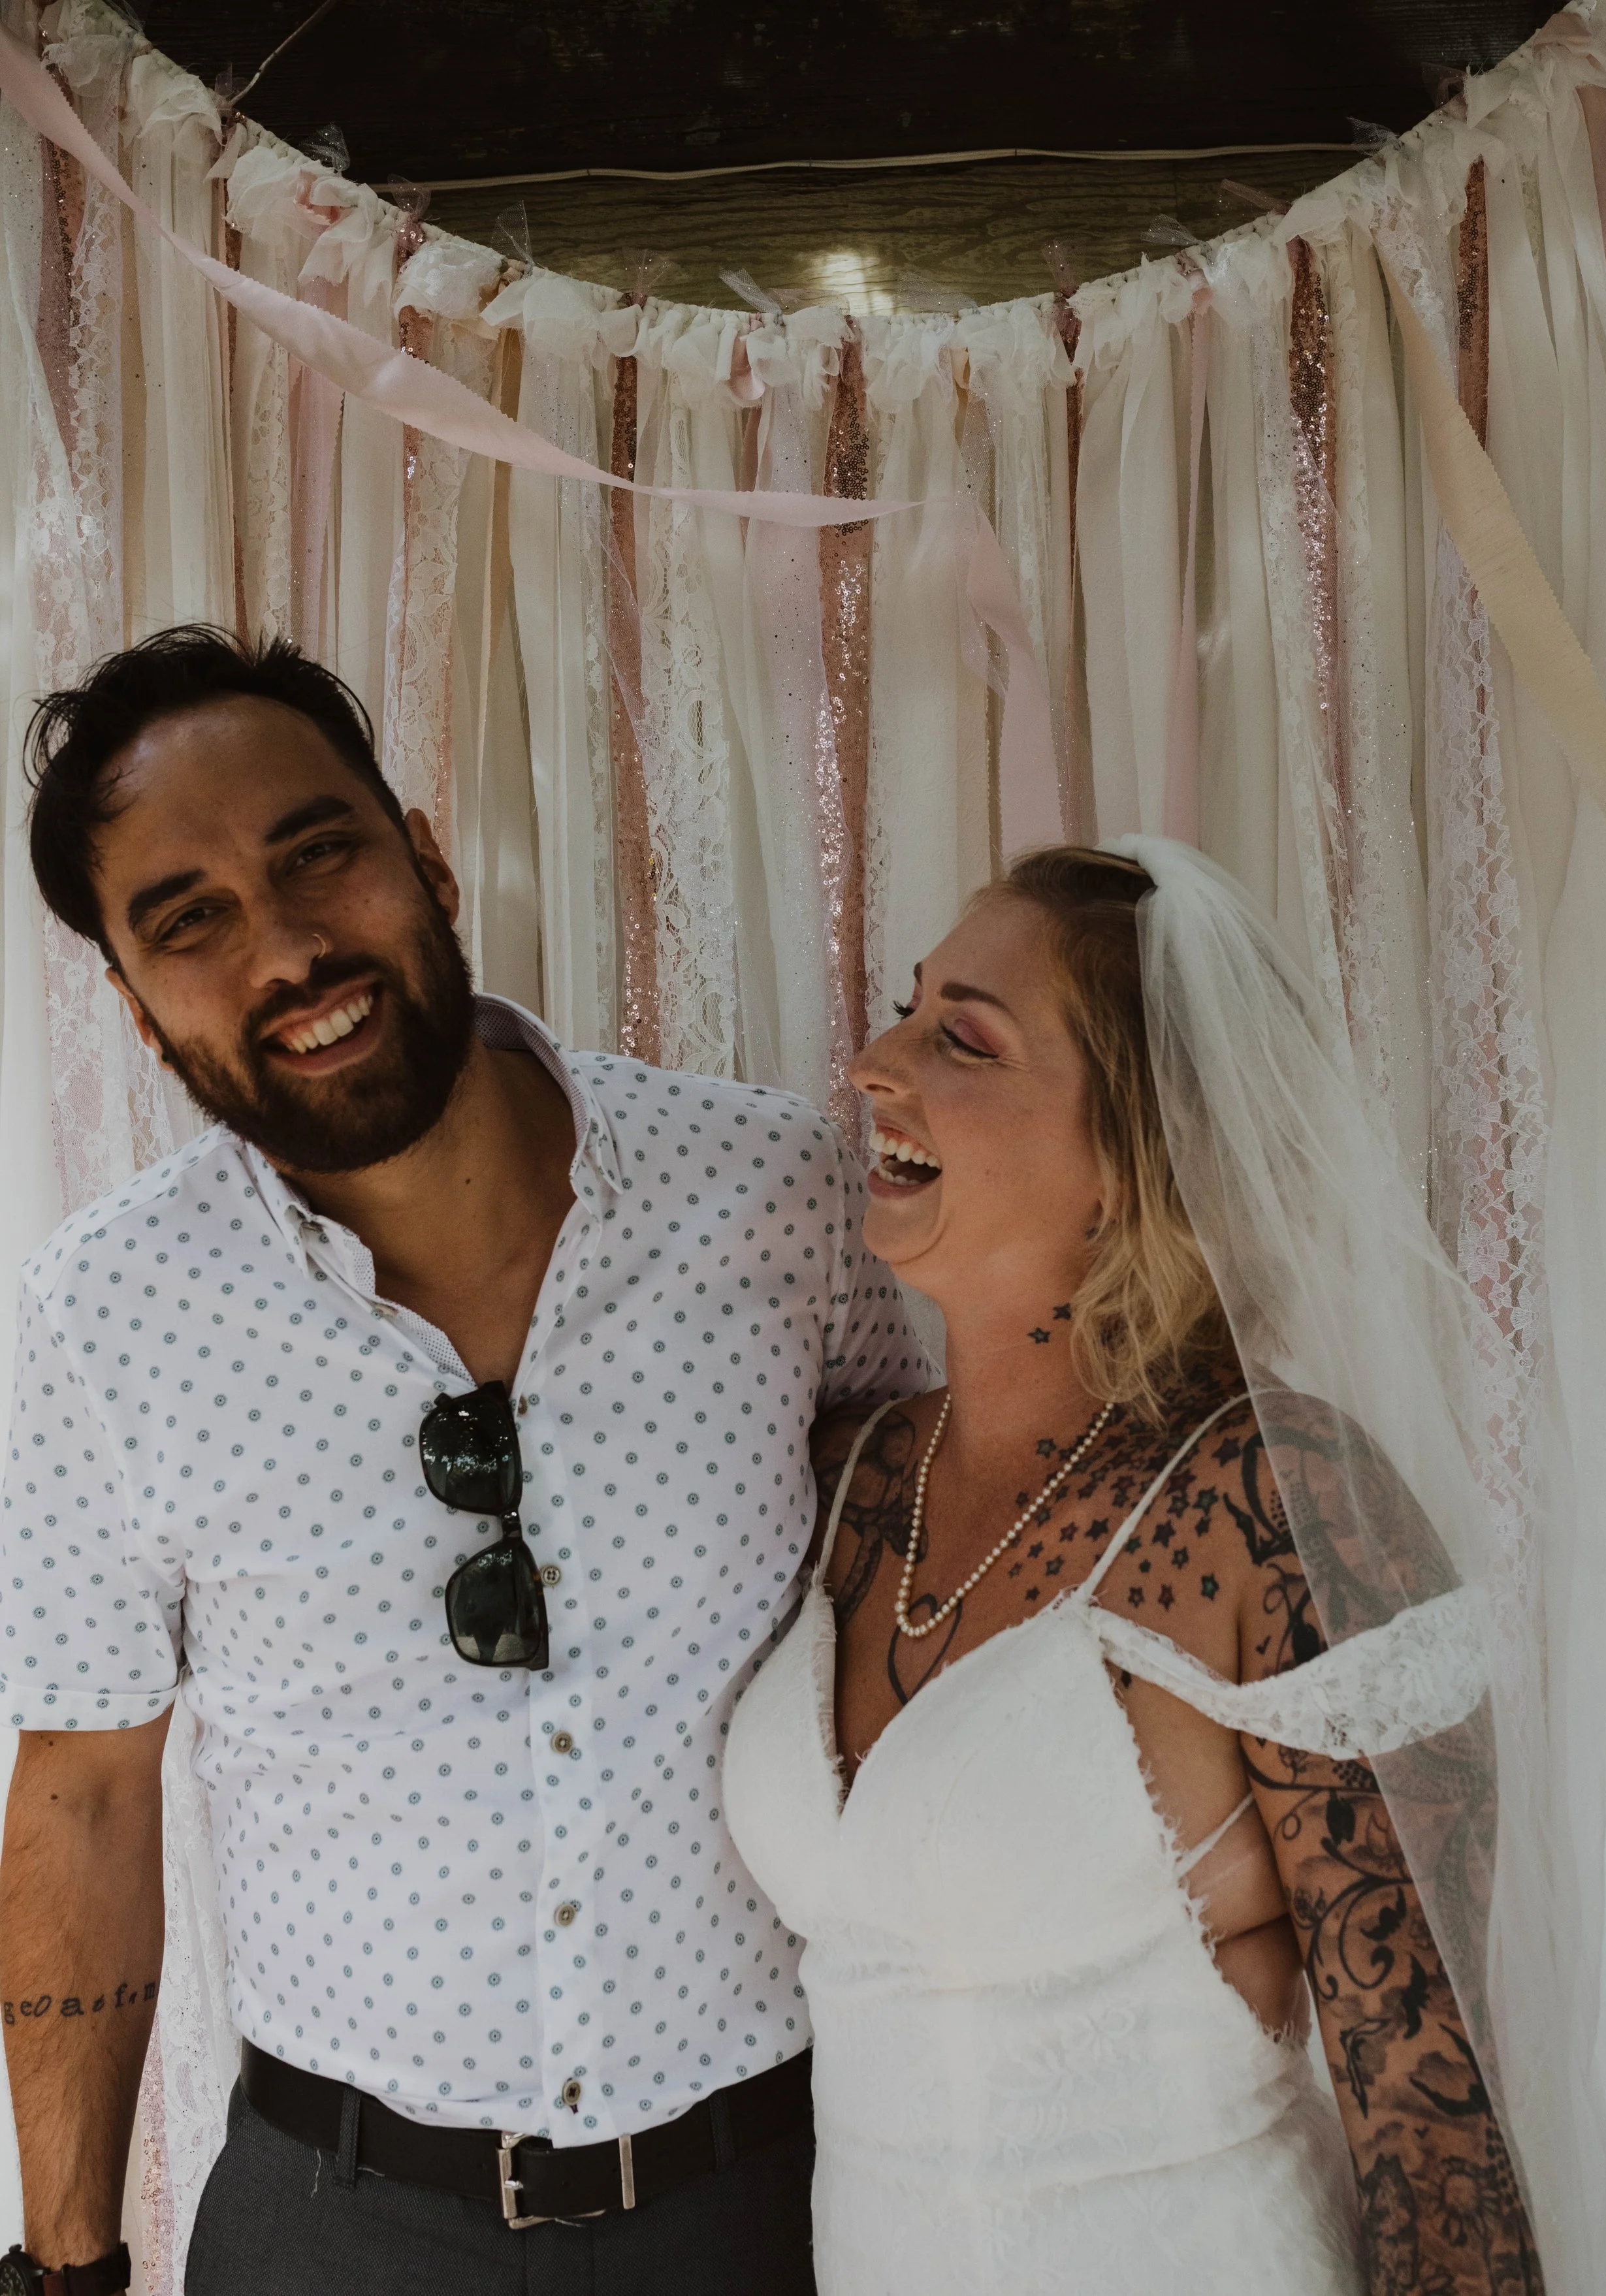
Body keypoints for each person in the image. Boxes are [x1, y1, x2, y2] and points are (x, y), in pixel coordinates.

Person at [0, 626, 925, 2296]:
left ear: (422, 855)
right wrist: (62, 2272)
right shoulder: (104, 1315)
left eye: (317, 853)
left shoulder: (771, 1190)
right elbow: (83, 1792)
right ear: (136, 1012)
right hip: (332, 2225)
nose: (289, 948)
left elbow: (924, 1544)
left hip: (769, 2201)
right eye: (189, 921)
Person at [723, 842, 1548, 2296]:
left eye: (961, 1039)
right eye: (908, 1011)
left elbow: (1436, 2134)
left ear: (1132, 1163)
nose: (870, 1064)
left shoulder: (1277, 1505)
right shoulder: (854, 1474)